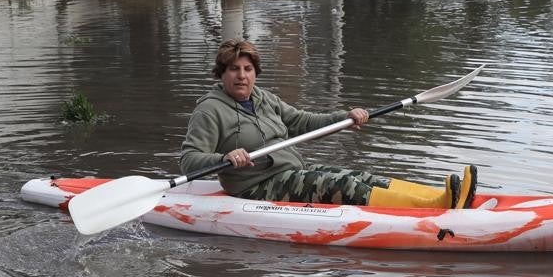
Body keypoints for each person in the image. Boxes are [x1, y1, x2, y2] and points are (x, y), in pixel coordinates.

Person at [181, 39, 477, 210]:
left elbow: (300, 122)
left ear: (255, 73)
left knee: (362, 176)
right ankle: (433, 208)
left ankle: (435, 195)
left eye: (247, 69)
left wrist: (344, 118)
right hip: (254, 187)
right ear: (222, 73)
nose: (242, 76)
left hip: (291, 170)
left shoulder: (263, 97)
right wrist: (225, 158)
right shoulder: (210, 110)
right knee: (344, 186)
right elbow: (189, 161)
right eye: (234, 69)